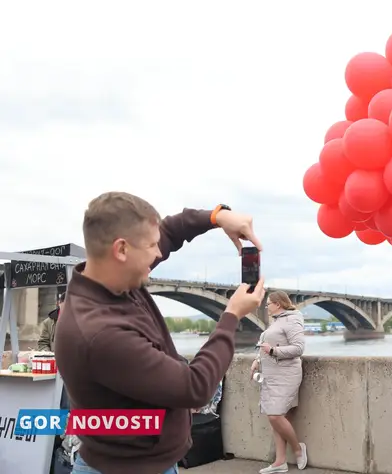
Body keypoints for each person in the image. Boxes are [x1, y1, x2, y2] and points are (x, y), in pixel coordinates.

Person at [54, 192, 266, 474]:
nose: (158, 252)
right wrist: (231, 316)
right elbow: (195, 387)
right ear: (121, 250)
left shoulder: (113, 278)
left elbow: (169, 230)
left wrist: (217, 217)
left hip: (148, 463)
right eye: (152, 246)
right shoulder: (101, 333)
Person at [251, 290, 308, 473]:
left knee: (275, 415)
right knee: (277, 417)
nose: (266, 307)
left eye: (268, 303)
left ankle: (298, 449)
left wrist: (273, 351)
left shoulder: (293, 319)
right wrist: (258, 360)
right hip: (271, 375)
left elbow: (298, 348)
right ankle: (280, 462)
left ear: (278, 304)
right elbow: (266, 347)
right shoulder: (275, 321)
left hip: (286, 374)